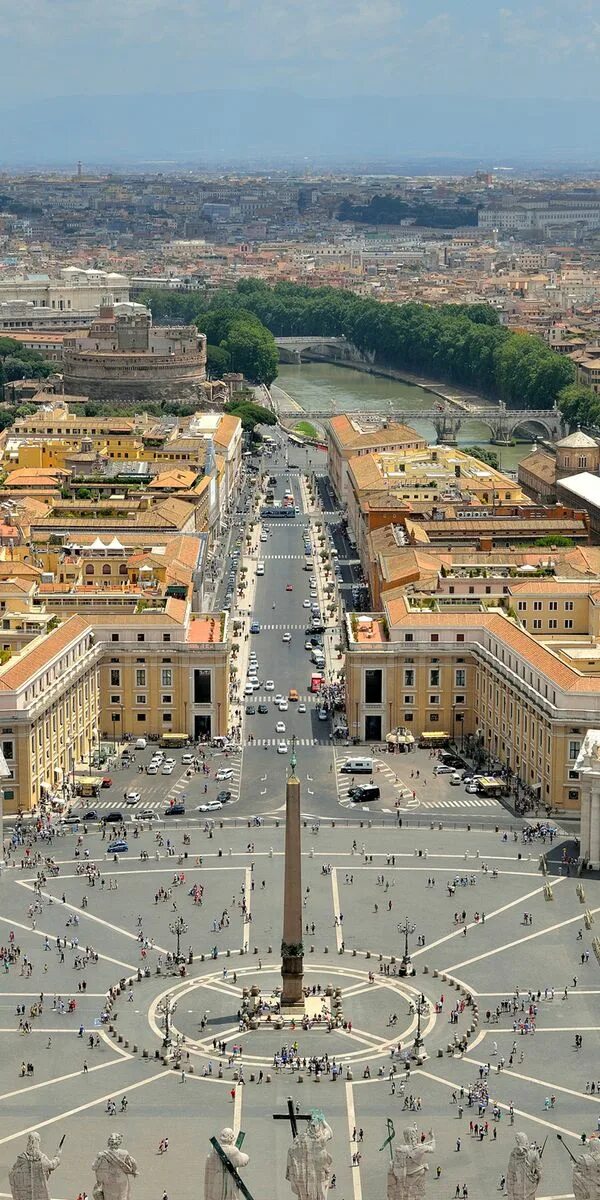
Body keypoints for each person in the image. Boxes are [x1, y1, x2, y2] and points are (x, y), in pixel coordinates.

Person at [9, 1133, 61, 1200]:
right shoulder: (42, 1158)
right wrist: (57, 1156)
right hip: (40, 1194)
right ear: (38, 1141)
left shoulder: (22, 1158)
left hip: (25, 1194)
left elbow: (13, 1172)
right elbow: (52, 1165)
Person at [92, 1133, 138, 1200]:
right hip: (121, 1178)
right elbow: (134, 1162)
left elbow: (94, 1167)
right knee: (123, 1197)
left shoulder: (102, 1154)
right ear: (119, 1142)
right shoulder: (124, 1153)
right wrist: (134, 1171)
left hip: (108, 1179)